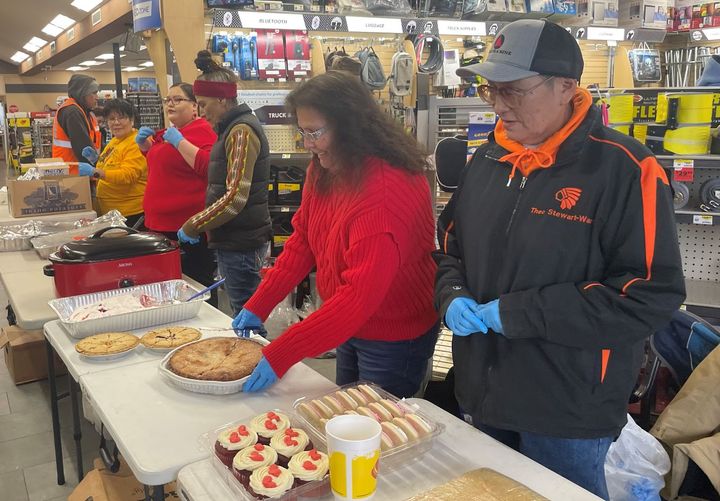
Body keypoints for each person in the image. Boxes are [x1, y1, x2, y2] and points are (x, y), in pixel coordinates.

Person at [435, 19, 685, 499]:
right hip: (483, 390)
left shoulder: (627, 169)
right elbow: (449, 248)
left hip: (568, 409)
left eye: (514, 91)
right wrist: (450, 295)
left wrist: (517, 313)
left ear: (567, 86)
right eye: (492, 90)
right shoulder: (488, 159)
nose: (499, 105)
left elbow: (648, 296)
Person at [234, 71, 439, 397]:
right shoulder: (326, 166)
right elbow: (303, 240)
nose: (307, 144)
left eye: (314, 132)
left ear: (351, 125)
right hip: (347, 324)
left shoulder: (384, 191)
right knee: (346, 409)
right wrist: (259, 303)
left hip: (393, 336)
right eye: (302, 132)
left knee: (377, 431)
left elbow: (358, 297)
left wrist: (283, 352)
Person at [178, 51, 271, 316]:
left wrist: (194, 225)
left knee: (247, 314)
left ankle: (255, 357)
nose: (201, 110)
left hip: (240, 242)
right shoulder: (229, 130)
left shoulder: (241, 131)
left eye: (204, 103)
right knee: (244, 310)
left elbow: (235, 198)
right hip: (235, 239)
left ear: (222, 99)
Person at [136, 83, 218, 304]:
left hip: (187, 227)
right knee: (171, 289)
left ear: (194, 107)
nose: (170, 104)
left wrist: (179, 142)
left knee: (197, 288)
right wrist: (146, 148)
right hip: (161, 225)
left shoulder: (201, 130)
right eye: (167, 99)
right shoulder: (169, 133)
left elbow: (209, 168)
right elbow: (166, 169)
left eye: (177, 99)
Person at [78, 99, 147, 228]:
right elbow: (112, 166)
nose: (116, 122)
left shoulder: (136, 142)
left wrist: (95, 172)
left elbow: (128, 175)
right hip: (113, 213)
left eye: (121, 118)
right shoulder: (115, 140)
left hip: (131, 214)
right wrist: (96, 161)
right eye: (111, 118)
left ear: (132, 119)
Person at [52, 74, 102, 170]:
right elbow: (83, 148)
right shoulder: (72, 112)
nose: (97, 97)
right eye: (94, 93)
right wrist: (100, 169)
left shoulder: (85, 111)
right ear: (82, 93)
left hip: (79, 172)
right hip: (73, 173)